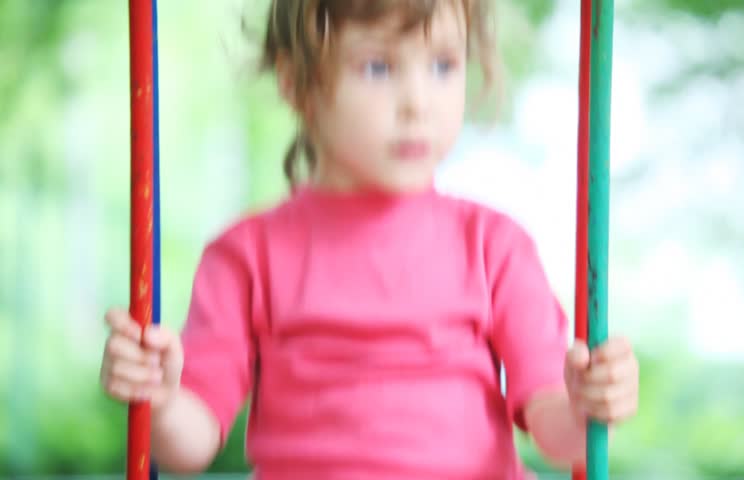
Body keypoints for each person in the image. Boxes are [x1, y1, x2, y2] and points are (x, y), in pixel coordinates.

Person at [100, 1, 639, 478]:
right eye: (379, 67)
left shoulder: (495, 247)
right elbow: (190, 444)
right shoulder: (247, 255)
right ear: (297, 83)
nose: (418, 103)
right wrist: (161, 399)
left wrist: (590, 407)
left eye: (443, 66)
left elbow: (554, 427)